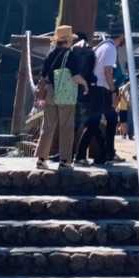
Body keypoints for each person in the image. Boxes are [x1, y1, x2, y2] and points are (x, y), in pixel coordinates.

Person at [35, 25, 83, 171]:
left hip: (50, 91)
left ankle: (41, 159)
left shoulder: (50, 54)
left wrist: (40, 95)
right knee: (66, 126)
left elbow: (43, 76)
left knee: (47, 127)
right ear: (68, 40)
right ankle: (65, 160)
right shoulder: (71, 55)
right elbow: (75, 76)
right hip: (65, 93)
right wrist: (86, 85)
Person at [76, 28, 123, 165]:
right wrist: (114, 90)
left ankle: (106, 153)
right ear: (122, 36)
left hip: (96, 87)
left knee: (108, 119)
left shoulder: (101, 47)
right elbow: (107, 72)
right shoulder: (111, 48)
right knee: (95, 123)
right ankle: (82, 155)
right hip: (100, 88)